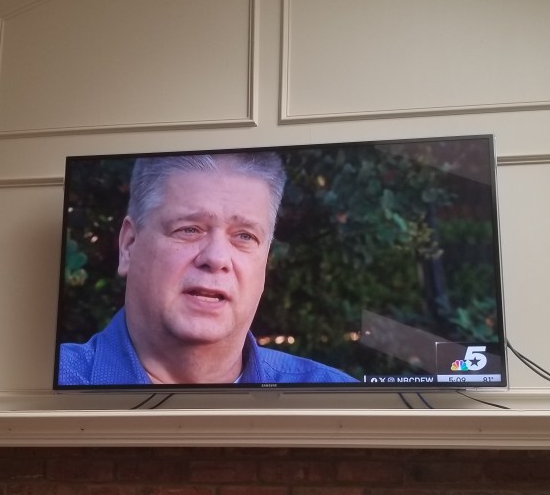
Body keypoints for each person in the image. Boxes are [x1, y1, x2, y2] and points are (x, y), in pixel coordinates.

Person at [58, 151, 357, 386]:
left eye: (244, 236)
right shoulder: (45, 384)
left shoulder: (339, 402)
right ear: (129, 246)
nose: (216, 258)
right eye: (189, 229)